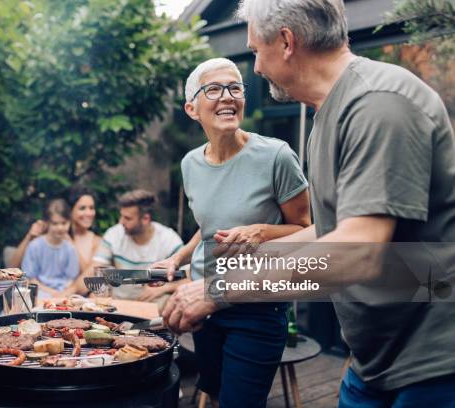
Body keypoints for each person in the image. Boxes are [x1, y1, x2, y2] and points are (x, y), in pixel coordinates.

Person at [162, 1, 455, 407]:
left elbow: (358, 252)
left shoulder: (378, 102)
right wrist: (213, 274)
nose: (257, 68)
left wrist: (221, 290)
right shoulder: (327, 115)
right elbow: (329, 229)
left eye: (255, 52)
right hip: (375, 361)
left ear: (285, 42)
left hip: (432, 366)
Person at [152, 57, 311, 408]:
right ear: (192, 108)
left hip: (257, 306)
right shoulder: (190, 163)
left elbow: (309, 229)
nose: (227, 96)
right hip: (205, 302)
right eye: (214, 89)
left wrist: (261, 230)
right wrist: (180, 255)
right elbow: (209, 225)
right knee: (219, 393)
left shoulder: (276, 156)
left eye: (234, 88)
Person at [93, 189, 185, 309]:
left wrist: (164, 288)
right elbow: (98, 268)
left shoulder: (169, 240)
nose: (121, 222)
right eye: (121, 216)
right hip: (117, 306)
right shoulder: (113, 235)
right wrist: (101, 294)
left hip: (154, 308)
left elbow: (189, 278)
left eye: (127, 218)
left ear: (145, 219)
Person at [21, 199, 79, 299]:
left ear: (69, 223)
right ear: (47, 223)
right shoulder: (35, 246)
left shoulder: (70, 248)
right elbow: (30, 279)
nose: (60, 227)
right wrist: (52, 293)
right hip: (39, 291)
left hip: (63, 293)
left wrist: (62, 294)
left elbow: (71, 280)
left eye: (64, 223)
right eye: (55, 223)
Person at [61, 186, 102, 296]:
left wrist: (72, 245)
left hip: (81, 297)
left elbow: (90, 277)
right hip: (53, 292)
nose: (89, 213)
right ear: (70, 211)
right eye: (82, 208)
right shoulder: (57, 233)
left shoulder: (97, 241)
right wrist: (29, 236)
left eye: (91, 208)